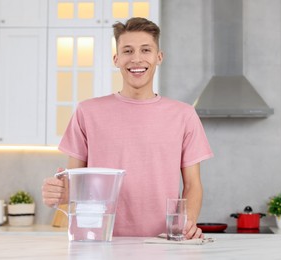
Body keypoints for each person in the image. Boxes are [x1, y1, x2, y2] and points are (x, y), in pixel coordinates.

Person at [42, 17, 213, 239]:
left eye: (145, 50)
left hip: (162, 244)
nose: (137, 59)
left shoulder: (184, 115)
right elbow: (74, 183)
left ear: (159, 57)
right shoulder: (87, 112)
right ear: (116, 58)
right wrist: (58, 192)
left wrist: (186, 226)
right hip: (99, 242)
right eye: (128, 51)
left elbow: (192, 184)